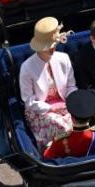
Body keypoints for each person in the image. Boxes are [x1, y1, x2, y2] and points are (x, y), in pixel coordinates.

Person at [19, 17, 76, 147]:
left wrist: (71, 102)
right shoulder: (26, 68)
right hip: (40, 111)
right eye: (48, 46)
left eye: (54, 44)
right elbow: (29, 101)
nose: (53, 48)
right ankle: (55, 151)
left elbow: (71, 86)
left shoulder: (64, 58)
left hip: (65, 104)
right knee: (64, 128)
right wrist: (51, 108)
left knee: (81, 123)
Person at [43, 89, 95, 159]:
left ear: (71, 116)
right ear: (92, 116)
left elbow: (47, 156)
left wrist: (49, 146)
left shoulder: (60, 141)